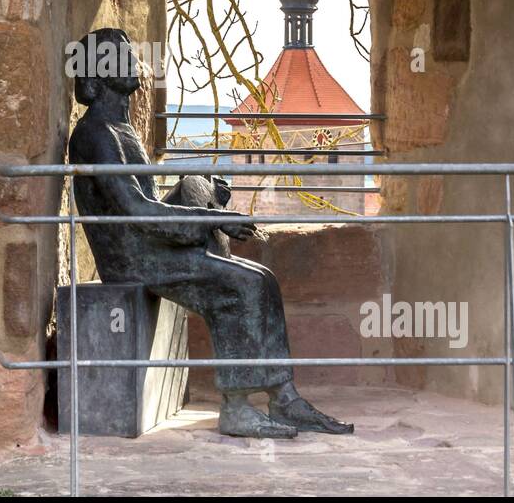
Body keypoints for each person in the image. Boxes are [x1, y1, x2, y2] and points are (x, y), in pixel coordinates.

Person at [66, 28, 353, 438]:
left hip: (148, 242)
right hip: (131, 257)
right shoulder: (97, 133)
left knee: (262, 278)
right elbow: (133, 208)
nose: (131, 62)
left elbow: (148, 202)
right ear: (96, 75)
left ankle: (284, 397)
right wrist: (211, 219)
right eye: (116, 58)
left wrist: (201, 192)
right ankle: (236, 408)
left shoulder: (121, 129)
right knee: (244, 286)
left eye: (129, 54)